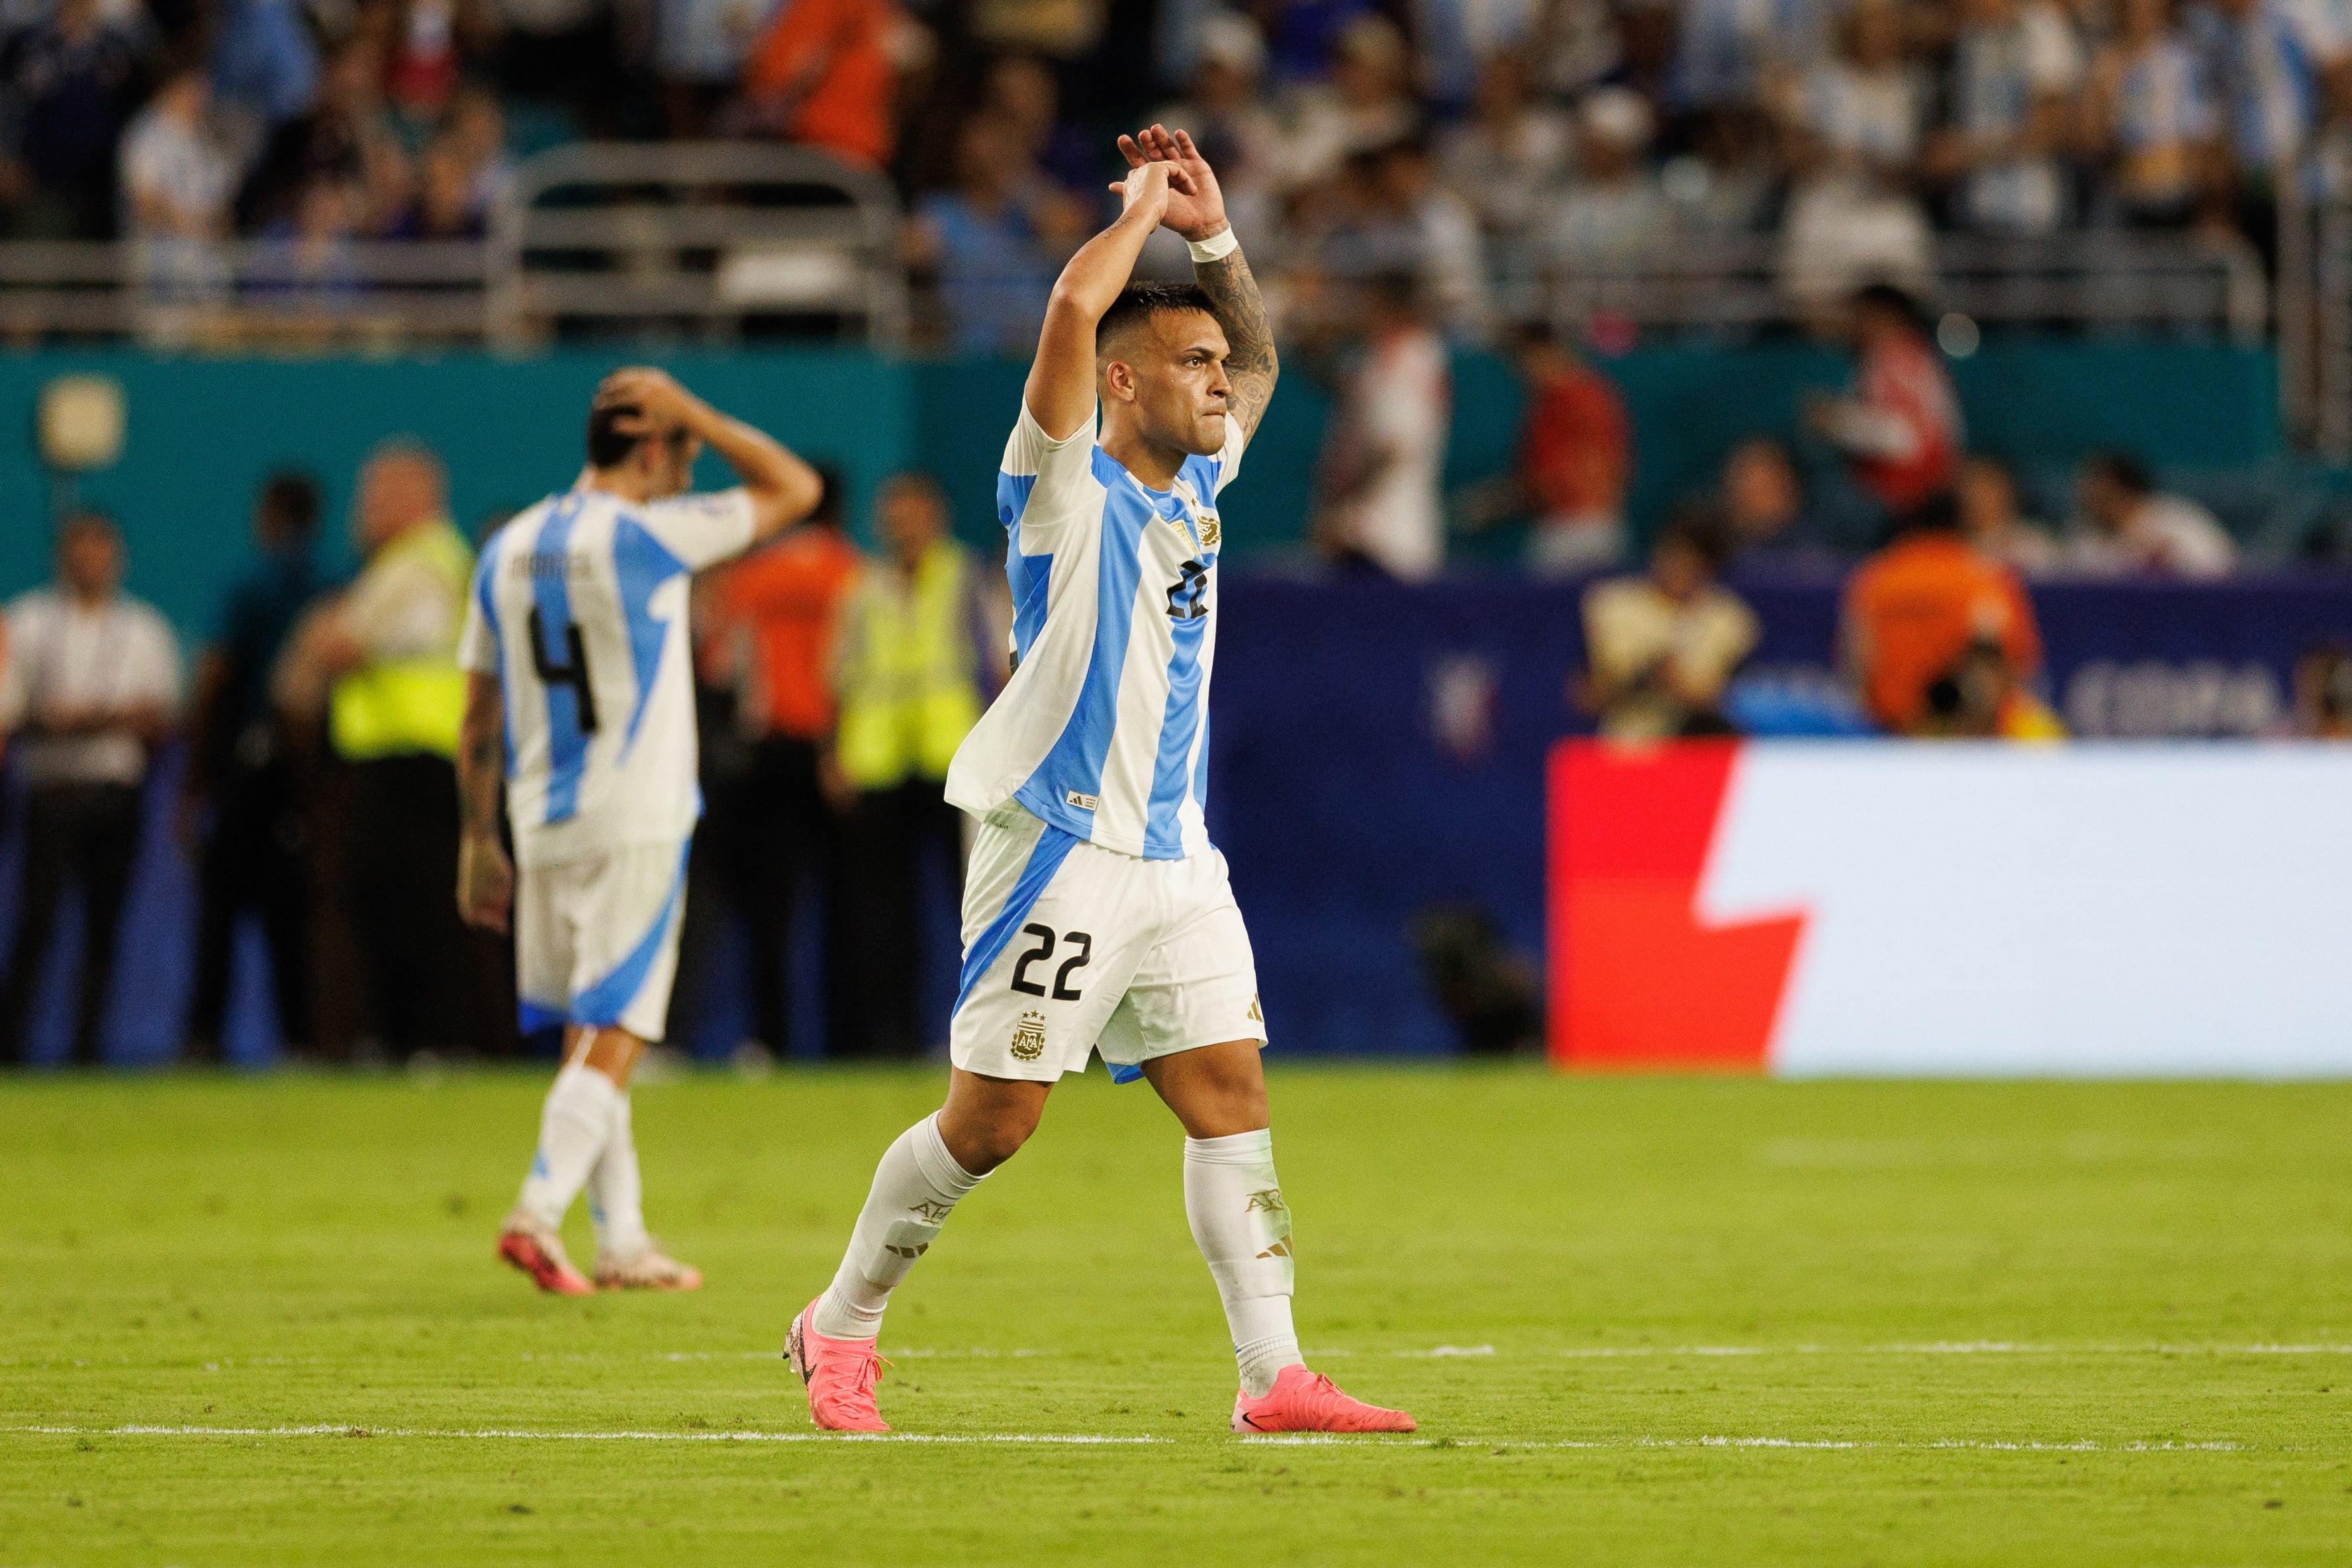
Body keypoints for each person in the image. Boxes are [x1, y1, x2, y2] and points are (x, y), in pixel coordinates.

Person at [786, 123, 1414, 1437]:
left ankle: (1273, 1376)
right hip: (1059, 847)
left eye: (1217, 369)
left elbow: (1264, 355)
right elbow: (1076, 301)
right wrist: (1137, 212)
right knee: (994, 1122)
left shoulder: (1200, 483)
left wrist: (1218, 233)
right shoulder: (1062, 487)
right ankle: (838, 1321)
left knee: (1228, 1089)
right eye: (1190, 366)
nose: (1221, 385)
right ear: (1120, 383)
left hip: (1177, 856)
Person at [457, 367, 822, 1295]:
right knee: (618, 1030)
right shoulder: (652, 534)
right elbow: (796, 488)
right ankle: (536, 1214)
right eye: (682, 452)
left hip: (539, 816)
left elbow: (475, 716)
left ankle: (621, 1239)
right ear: (652, 446)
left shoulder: (507, 547)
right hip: (635, 813)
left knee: (591, 1026)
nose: (687, 471)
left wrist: (476, 838)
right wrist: (697, 404)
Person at [278, 441, 475, 1058]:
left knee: (413, 910)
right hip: (400, 759)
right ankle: (408, 1040)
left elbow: (338, 647)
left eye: (373, 497)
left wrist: (320, 635)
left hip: (411, 759)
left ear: (412, 500)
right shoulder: (407, 563)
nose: (359, 512)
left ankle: (427, 1040)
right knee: (396, 907)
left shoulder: (420, 562)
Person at [684, 467, 862, 1056]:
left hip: (766, 758)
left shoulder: (750, 578)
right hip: (843, 757)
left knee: (768, 913)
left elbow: (717, 665)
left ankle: (770, 1041)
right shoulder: (856, 574)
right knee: (851, 909)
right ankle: (853, 1041)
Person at [0, 512, 181, 1066]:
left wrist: (92, 720)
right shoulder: (27, 621)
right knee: (37, 921)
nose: (89, 561)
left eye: (100, 550)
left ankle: (90, 1051)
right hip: (51, 786)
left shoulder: (145, 629)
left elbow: (161, 714)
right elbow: (12, 710)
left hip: (114, 790)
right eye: (79, 550)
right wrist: (61, 721)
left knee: (106, 923)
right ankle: (12, 1048)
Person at [826, 473, 989, 1058]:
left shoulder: (964, 577)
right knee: (881, 916)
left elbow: (996, 664)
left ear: (936, 516)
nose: (902, 525)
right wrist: (836, 753)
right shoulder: (862, 586)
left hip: (956, 760)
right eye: (893, 514)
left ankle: (988, 1038)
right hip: (878, 762)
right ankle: (889, 1041)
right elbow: (843, 674)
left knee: (977, 906)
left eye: (912, 513)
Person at [180, 471, 326, 1063]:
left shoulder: (247, 580)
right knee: (291, 910)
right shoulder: (332, 580)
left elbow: (215, 676)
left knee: (220, 907)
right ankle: (301, 1036)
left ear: (268, 514)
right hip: (307, 768)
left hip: (247, 760)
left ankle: (204, 1036)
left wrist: (194, 781)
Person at [1842, 490, 2044, 735]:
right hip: (1969, 740)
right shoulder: (1984, 578)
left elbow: (1860, 664)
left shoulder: (1877, 577)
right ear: (1962, 521)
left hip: (1892, 736)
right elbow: (2010, 666)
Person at [1311, 271, 1450, 580]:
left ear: (1389, 308)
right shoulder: (1379, 358)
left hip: (1385, 538)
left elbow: (1393, 449)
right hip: (1369, 533)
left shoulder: (1409, 359)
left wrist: (1343, 505)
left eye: (1366, 304)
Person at [1579, 508, 1759, 739]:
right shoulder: (1610, 604)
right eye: (1671, 555)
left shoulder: (1732, 620)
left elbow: (1744, 705)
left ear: (1710, 568)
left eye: (1691, 562)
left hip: (1698, 754)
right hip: (1627, 751)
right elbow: (1583, 697)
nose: (1676, 568)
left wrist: (1683, 688)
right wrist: (1641, 680)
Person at [1807, 283, 1961, 525]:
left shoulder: (1902, 358)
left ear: (1889, 316)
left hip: (1913, 493)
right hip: (1888, 488)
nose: (1857, 324)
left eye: (1865, 315)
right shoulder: (1880, 359)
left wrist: (1839, 423)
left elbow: (1913, 439)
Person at [1507, 320, 1631, 576]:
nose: (1521, 371)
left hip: (1572, 530)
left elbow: (1551, 480)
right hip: (1595, 525)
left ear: (1541, 351)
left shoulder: (1574, 399)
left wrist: (1502, 502)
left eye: (1522, 361)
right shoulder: (1590, 394)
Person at [2065, 449, 2237, 578]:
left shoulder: (2178, 521)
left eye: (2099, 492)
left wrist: (2173, 563)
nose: (2090, 501)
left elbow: (2223, 571)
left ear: (2123, 491)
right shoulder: (2088, 537)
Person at [1957, 454, 2061, 575]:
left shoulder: (2035, 544)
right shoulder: (1947, 549)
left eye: (1987, 486)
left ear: (2008, 490)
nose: (1976, 496)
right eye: (1969, 487)